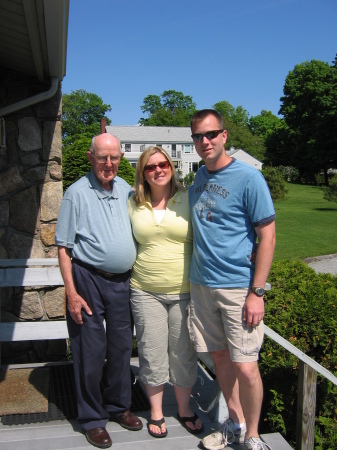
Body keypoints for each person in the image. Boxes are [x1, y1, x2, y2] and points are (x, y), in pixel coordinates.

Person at [188, 110, 276, 450]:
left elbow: (267, 236)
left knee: (247, 365)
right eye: (198, 136)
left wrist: (257, 291)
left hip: (238, 287)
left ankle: (253, 436)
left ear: (225, 135)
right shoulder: (198, 178)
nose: (205, 141)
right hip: (201, 285)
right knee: (220, 359)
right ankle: (235, 424)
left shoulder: (248, 178)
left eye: (211, 134)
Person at [55, 133, 143, 449]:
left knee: (121, 347)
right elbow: (63, 247)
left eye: (114, 157)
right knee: (90, 350)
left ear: (121, 158)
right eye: (102, 157)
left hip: (122, 281)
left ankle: (119, 407)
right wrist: (71, 292)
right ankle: (92, 419)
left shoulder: (127, 190)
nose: (108, 163)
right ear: (92, 158)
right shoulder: (76, 193)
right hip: (87, 279)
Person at [128, 146, 204, 438]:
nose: (158, 170)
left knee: (184, 353)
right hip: (145, 290)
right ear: (143, 173)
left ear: (171, 167)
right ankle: (157, 412)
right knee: (151, 352)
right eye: (150, 167)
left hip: (185, 291)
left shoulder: (188, 197)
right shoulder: (133, 203)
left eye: (163, 164)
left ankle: (184, 409)